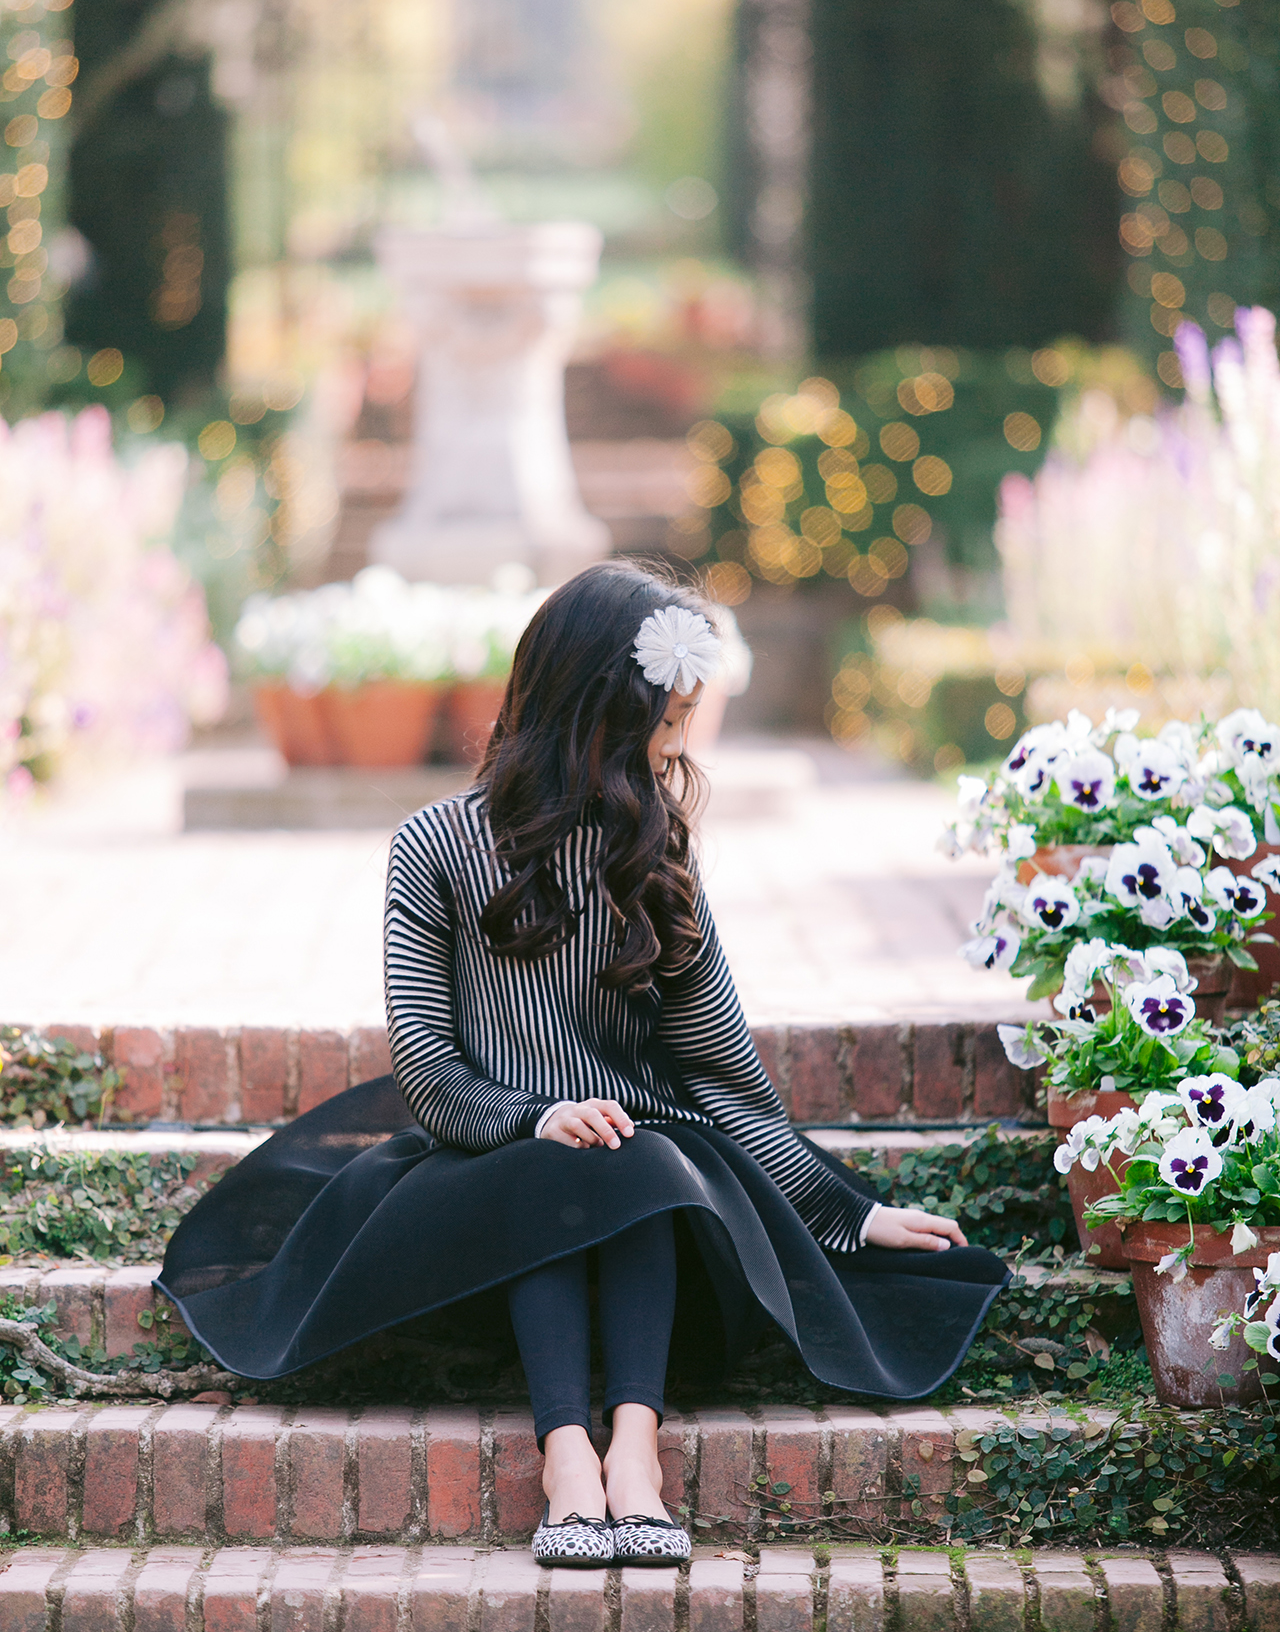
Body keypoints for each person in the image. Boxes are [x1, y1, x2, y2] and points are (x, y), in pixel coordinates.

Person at [159, 562, 1007, 1571]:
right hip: (483, 1178)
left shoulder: (657, 850)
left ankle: (634, 1457)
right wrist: (533, 1118)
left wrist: (847, 1213)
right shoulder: (432, 845)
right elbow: (426, 1070)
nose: (674, 744)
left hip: (657, 1196)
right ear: (593, 708)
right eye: (663, 719)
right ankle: (568, 1456)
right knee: (571, 1157)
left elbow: (717, 1071)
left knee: (631, 1152)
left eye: (683, 717)